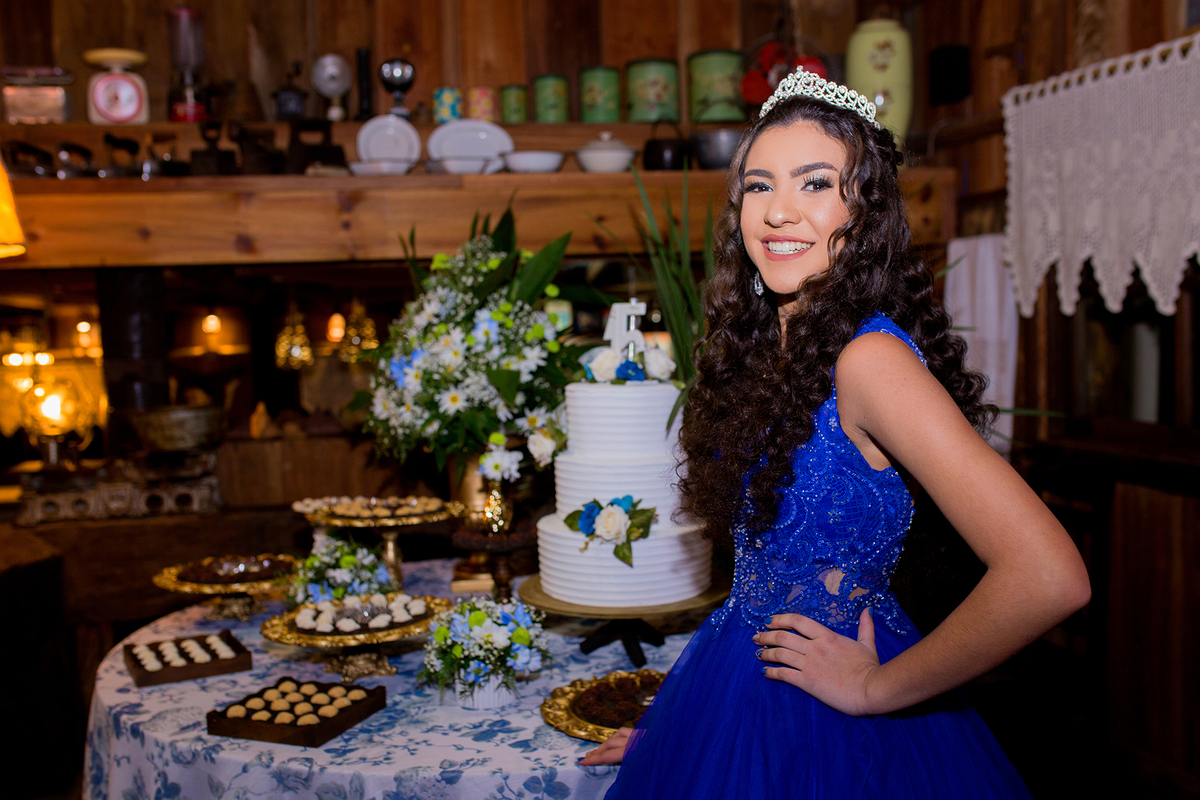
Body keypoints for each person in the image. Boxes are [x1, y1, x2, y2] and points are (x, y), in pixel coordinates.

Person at [578, 68, 1091, 798]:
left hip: (831, 722)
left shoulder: (870, 360)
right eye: (759, 186)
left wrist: (877, 689)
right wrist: (686, 732)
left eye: (815, 184)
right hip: (738, 685)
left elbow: (1050, 576)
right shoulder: (763, 353)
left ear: (866, 212)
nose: (779, 211)